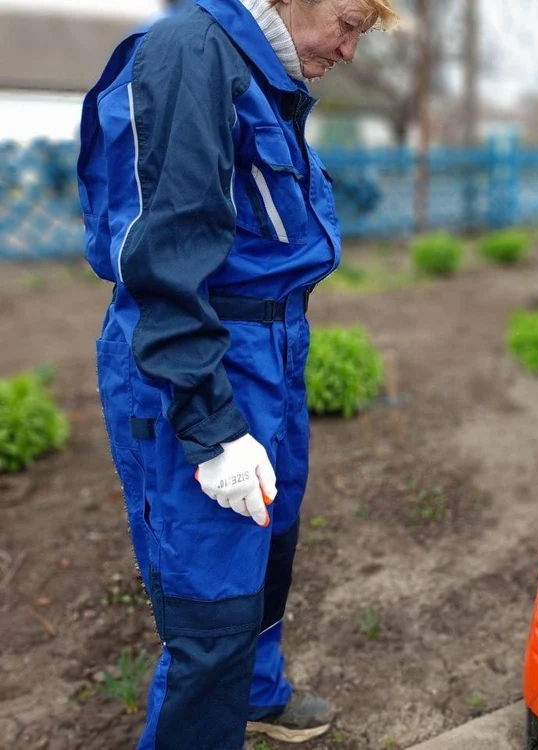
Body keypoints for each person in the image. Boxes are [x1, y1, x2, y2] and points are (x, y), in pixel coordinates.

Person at [77, 0, 398, 746]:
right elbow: (163, 265)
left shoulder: (258, 68)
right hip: (205, 353)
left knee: (267, 543)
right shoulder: (193, 54)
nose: (349, 50)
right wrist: (211, 426)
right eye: (348, 23)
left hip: (269, 349)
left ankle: (253, 692)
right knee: (209, 596)